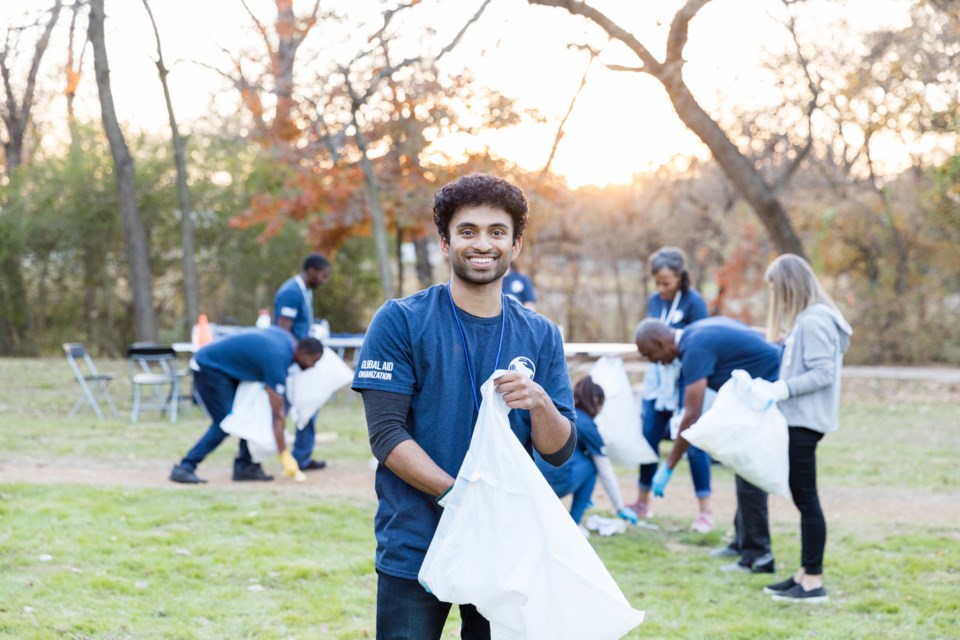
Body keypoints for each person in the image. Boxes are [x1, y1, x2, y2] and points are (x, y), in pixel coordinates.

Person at [352, 173, 577, 639]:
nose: (483, 244)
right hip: (415, 541)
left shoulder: (541, 334)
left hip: (503, 545)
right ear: (444, 241)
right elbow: (387, 436)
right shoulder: (400, 320)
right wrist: (459, 497)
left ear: (515, 246)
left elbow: (559, 450)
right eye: (467, 230)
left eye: (497, 232)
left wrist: (539, 403)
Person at [635, 316, 782, 573]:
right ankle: (742, 542)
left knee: (751, 472)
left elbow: (692, 414)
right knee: (742, 468)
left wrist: (668, 466)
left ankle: (758, 557)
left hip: (769, 393)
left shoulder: (694, 349)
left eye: (651, 355)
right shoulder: (693, 335)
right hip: (754, 397)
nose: (655, 362)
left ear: (660, 342)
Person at [758, 254, 852, 603]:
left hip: (804, 421)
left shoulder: (815, 321)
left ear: (789, 287)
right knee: (803, 498)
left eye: (776, 289)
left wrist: (782, 389)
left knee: (807, 500)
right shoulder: (808, 320)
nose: (775, 298)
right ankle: (803, 573)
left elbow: (822, 373)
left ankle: (813, 581)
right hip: (797, 419)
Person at [169, 327, 324, 484]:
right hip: (209, 366)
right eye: (313, 360)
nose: (313, 366)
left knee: (246, 413)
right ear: (303, 352)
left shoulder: (286, 340)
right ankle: (185, 467)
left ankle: (245, 466)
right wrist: (283, 454)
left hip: (225, 368)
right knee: (226, 422)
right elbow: (277, 413)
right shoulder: (278, 359)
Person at [630, 246, 712, 532]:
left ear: (680, 277)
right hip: (657, 381)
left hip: (684, 378)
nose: (661, 288)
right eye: (657, 282)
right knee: (648, 436)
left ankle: (705, 511)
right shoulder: (655, 301)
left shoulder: (694, 303)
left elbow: (702, 343)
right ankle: (642, 502)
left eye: (666, 283)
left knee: (690, 435)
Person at [537, 375, 638, 535]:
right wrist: (619, 507)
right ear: (597, 401)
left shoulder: (559, 413)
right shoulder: (588, 425)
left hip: (534, 482)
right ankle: (574, 524)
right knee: (592, 467)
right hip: (554, 484)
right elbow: (605, 469)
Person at [273, 253, 331, 471]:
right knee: (280, 407)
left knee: (310, 405)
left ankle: (301, 456)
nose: (324, 281)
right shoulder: (291, 292)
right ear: (312, 271)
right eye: (323, 276)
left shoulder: (304, 291)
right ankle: (250, 457)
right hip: (291, 361)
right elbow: (282, 329)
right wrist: (301, 353)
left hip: (302, 360)